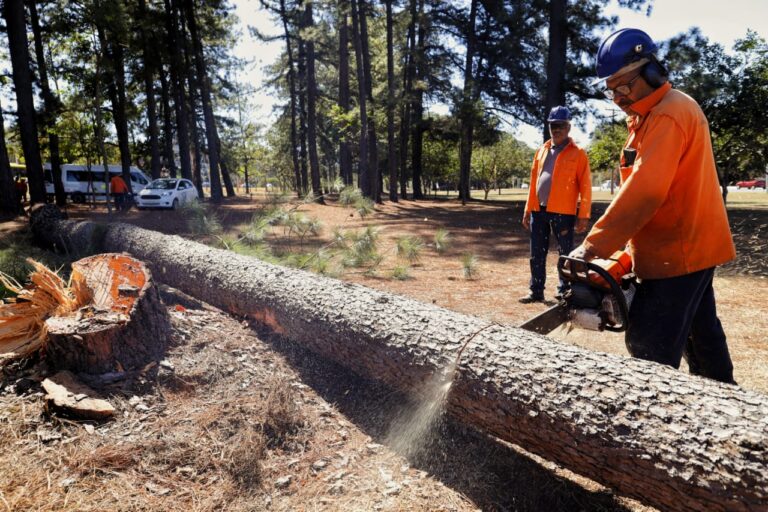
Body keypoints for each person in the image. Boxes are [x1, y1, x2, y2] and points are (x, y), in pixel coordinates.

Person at [569, 28, 736, 383]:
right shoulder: (646, 118)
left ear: (651, 72)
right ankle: (726, 400)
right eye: (610, 88)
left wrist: (592, 247)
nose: (617, 96)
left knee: (649, 345)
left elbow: (645, 192)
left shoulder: (668, 113)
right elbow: (641, 188)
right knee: (701, 334)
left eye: (623, 85)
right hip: (683, 247)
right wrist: (626, 251)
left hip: (679, 252)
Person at [520, 105, 592, 303]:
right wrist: (528, 209)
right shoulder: (541, 150)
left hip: (564, 213)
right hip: (538, 211)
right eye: (553, 126)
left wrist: (583, 214)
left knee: (566, 254)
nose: (556, 129)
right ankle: (536, 291)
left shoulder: (578, 153)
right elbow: (534, 182)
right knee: (536, 253)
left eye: (560, 125)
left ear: (568, 127)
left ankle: (564, 291)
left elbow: (585, 186)